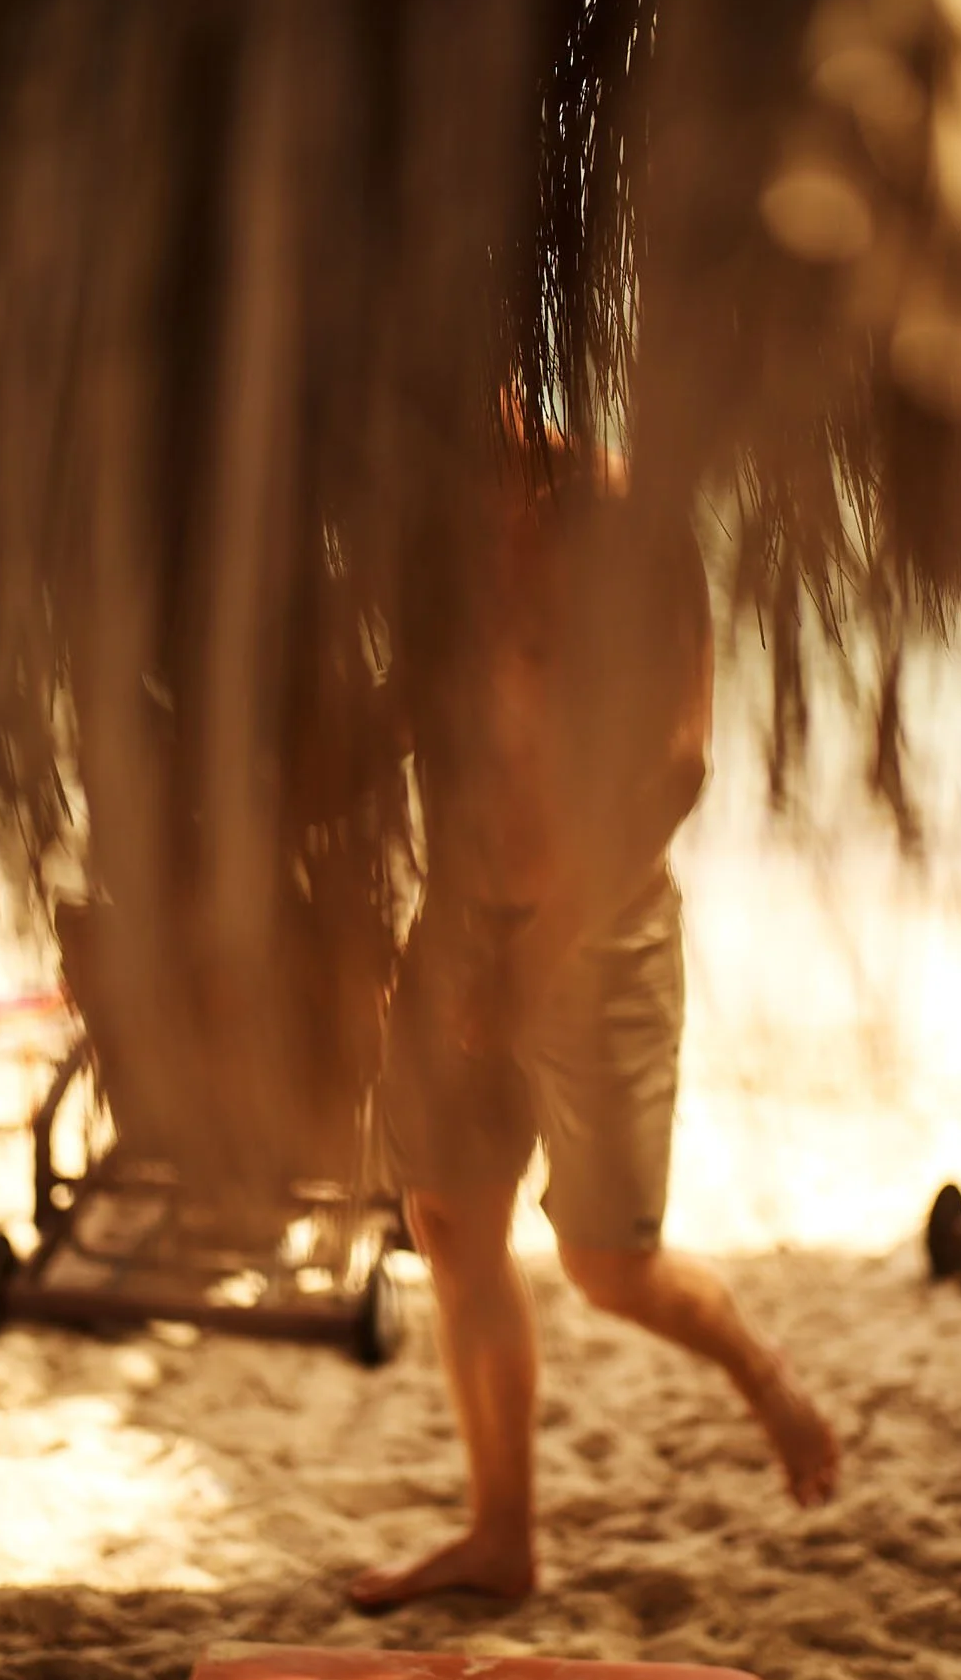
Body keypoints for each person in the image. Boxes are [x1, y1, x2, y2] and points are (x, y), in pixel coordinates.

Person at [351, 450, 840, 1611]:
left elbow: (674, 766)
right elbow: (406, 714)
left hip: (602, 940)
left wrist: (533, 958)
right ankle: (500, 1536)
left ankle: (760, 1372)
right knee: (449, 1221)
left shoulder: (625, 513)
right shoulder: (428, 522)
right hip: (455, 920)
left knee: (607, 1268)